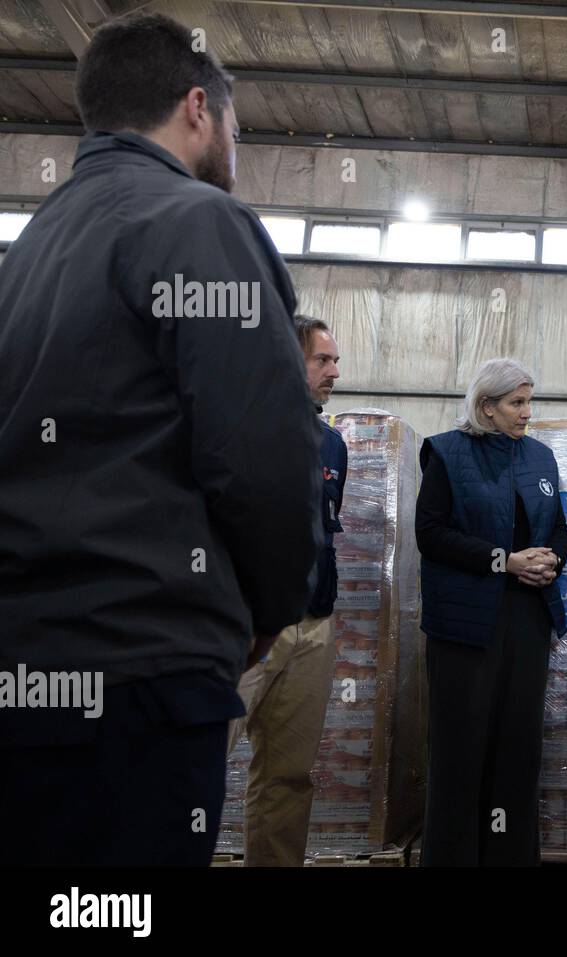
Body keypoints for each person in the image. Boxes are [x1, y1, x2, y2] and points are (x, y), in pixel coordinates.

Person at [0, 12, 321, 866]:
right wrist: (271, 609)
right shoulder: (200, 224)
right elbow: (263, 457)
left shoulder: (29, 251)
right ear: (196, 107)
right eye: (237, 125)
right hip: (140, 684)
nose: (235, 147)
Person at [416, 358, 567, 866]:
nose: (527, 412)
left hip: (527, 618)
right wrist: (503, 561)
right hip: (465, 625)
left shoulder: (541, 459)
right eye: (516, 403)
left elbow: (557, 528)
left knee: (517, 746)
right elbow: (432, 534)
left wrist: (550, 561)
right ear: (486, 406)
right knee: (461, 749)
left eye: (529, 401)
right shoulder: (446, 453)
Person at [228, 316, 346, 866]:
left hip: (313, 629)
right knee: (194, 765)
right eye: (322, 360)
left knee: (288, 777)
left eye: (335, 361)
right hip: (243, 627)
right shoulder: (236, 428)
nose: (335, 372)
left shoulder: (332, 445)